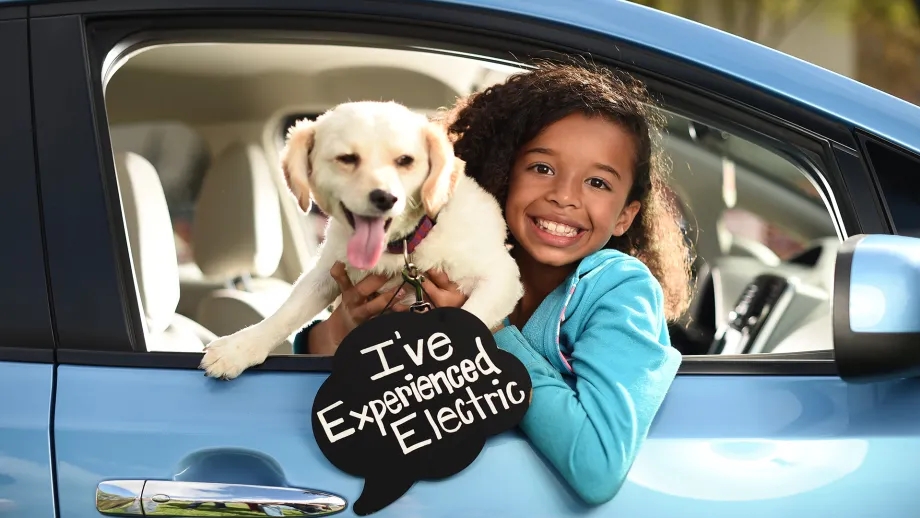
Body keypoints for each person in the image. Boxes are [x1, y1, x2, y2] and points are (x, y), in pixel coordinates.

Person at [294, 60, 693, 505]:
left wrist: (486, 332)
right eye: (542, 168)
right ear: (502, 171)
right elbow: (360, 395)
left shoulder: (618, 291)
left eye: (598, 182)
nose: (564, 196)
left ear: (624, 216)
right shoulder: (443, 259)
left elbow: (597, 466)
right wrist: (343, 327)